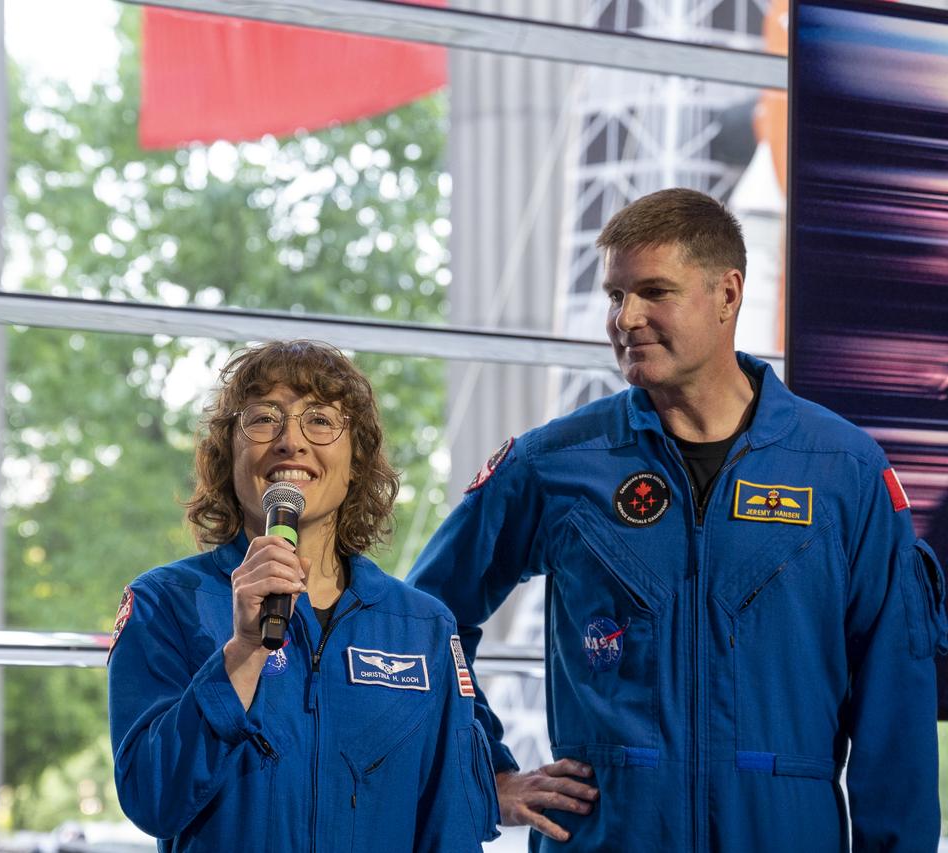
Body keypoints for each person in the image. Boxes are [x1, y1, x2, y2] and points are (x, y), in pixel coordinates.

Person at [409, 188, 945, 851]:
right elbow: (421, 621)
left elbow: (897, 694)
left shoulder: (843, 471)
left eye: (652, 291)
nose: (626, 317)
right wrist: (485, 769)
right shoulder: (555, 464)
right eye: (615, 296)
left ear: (727, 294)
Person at [108, 340, 500, 852]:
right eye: (264, 419)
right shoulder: (166, 603)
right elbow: (150, 799)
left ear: (356, 459)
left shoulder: (423, 627)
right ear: (229, 456)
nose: (290, 442)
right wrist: (243, 653)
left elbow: (449, 830)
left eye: (319, 420)